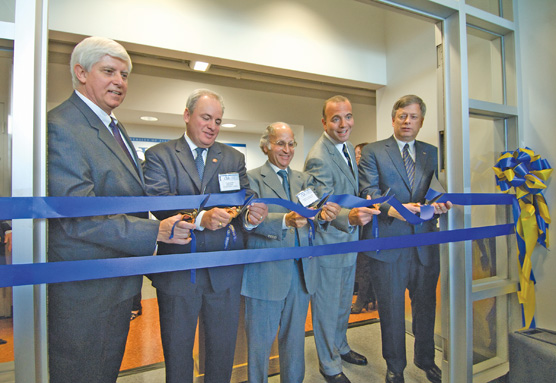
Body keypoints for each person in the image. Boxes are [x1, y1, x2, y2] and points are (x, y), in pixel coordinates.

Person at [47, 36, 194, 383]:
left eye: (125, 75)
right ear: (81, 73)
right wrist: (154, 232)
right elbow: (77, 216)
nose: (120, 82)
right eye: (109, 71)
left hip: (115, 282)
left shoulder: (112, 125)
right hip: (86, 290)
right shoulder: (62, 126)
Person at [143, 89, 268, 383]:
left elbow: (244, 199)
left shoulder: (233, 158)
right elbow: (159, 201)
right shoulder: (160, 155)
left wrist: (250, 216)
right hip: (178, 270)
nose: (212, 126)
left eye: (218, 120)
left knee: (222, 351)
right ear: (187, 116)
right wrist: (200, 218)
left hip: (223, 273)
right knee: (177, 351)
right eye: (206, 118)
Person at [358, 95, 452, 383]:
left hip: (425, 245)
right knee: (391, 310)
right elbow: (367, 193)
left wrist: (441, 202)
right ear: (393, 119)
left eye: (413, 117)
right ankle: (395, 367)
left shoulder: (433, 153)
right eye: (402, 116)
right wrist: (398, 211)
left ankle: (426, 359)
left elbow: (440, 188)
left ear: (421, 121)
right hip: (388, 245)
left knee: (425, 307)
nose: (407, 121)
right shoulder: (374, 151)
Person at [242, 122, 341, 383]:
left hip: (301, 275)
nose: (287, 149)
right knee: (259, 347)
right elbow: (248, 221)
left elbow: (314, 215)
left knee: (295, 345)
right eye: (280, 143)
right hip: (266, 275)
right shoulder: (251, 178)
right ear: (266, 146)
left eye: (291, 143)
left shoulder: (304, 180)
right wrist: (283, 220)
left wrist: (325, 216)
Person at [304, 95, 380, 383]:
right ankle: (329, 364)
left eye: (347, 116)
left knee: (340, 303)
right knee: (326, 305)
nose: (344, 123)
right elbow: (319, 205)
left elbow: (349, 189)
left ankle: (341, 345)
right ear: (324, 122)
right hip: (329, 244)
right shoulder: (318, 156)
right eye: (336, 118)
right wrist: (347, 217)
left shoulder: (347, 146)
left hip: (349, 243)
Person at [351, 142, 378, 314]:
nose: (358, 157)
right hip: (356, 225)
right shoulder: (354, 174)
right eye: (356, 154)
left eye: (360, 153)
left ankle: (362, 300)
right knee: (362, 265)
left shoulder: (371, 174)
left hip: (372, 226)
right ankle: (367, 296)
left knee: (365, 264)